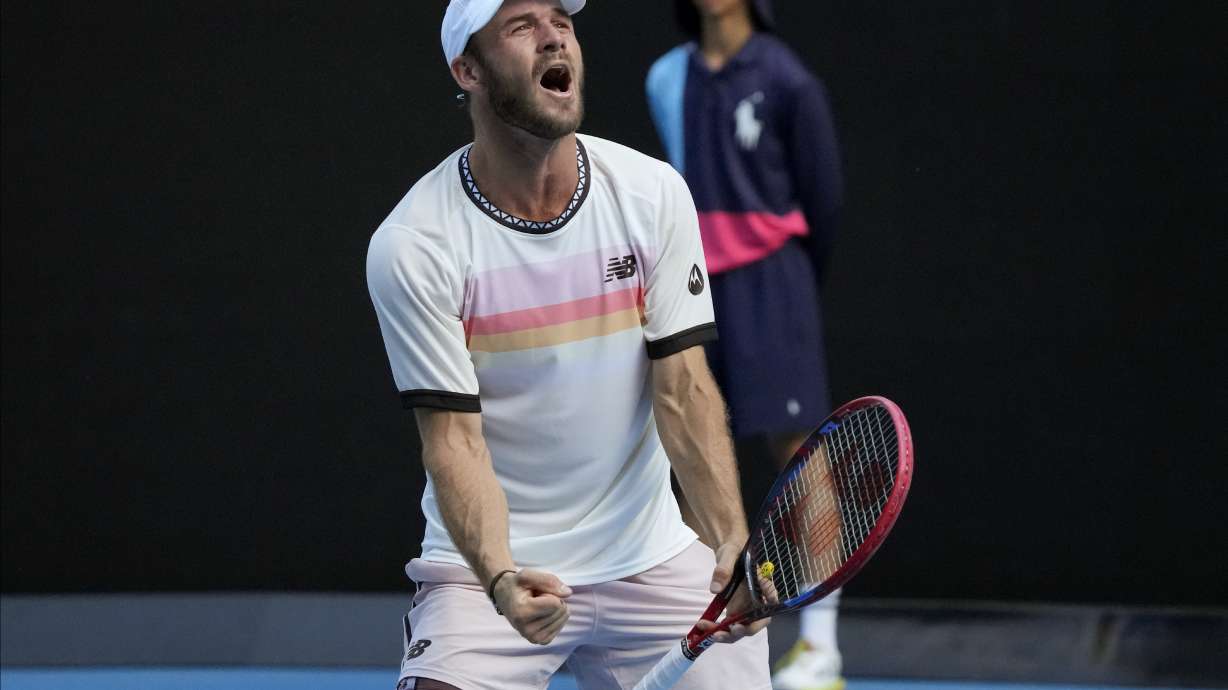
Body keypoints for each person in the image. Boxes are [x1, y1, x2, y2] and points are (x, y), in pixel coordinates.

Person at [366, 1, 775, 688]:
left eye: (562, 19)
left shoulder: (650, 195)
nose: (555, 35)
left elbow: (684, 388)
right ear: (467, 70)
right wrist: (498, 576)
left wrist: (727, 535)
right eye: (521, 25)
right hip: (489, 572)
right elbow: (453, 441)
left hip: (651, 559)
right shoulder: (415, 244)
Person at [645, 2, 846, 689]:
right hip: (693, 280)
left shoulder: (791, 81)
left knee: (798, 450)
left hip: (772, 279)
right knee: (689, 439)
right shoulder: (666, 77)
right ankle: (697, 628)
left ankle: (819, 646)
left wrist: (782, 280)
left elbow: (825, 203)